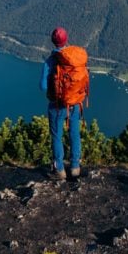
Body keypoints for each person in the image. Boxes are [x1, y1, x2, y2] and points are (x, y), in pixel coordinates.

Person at [40, 26, 88, 180]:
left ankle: (59, 170)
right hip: (75, 103)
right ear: (66, 39)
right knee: (74, 133)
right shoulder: (76, 58)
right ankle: (75, 167)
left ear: (53, 42)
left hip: (57, 105)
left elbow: (43, 86)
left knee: (56, 136)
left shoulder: (50, 61)